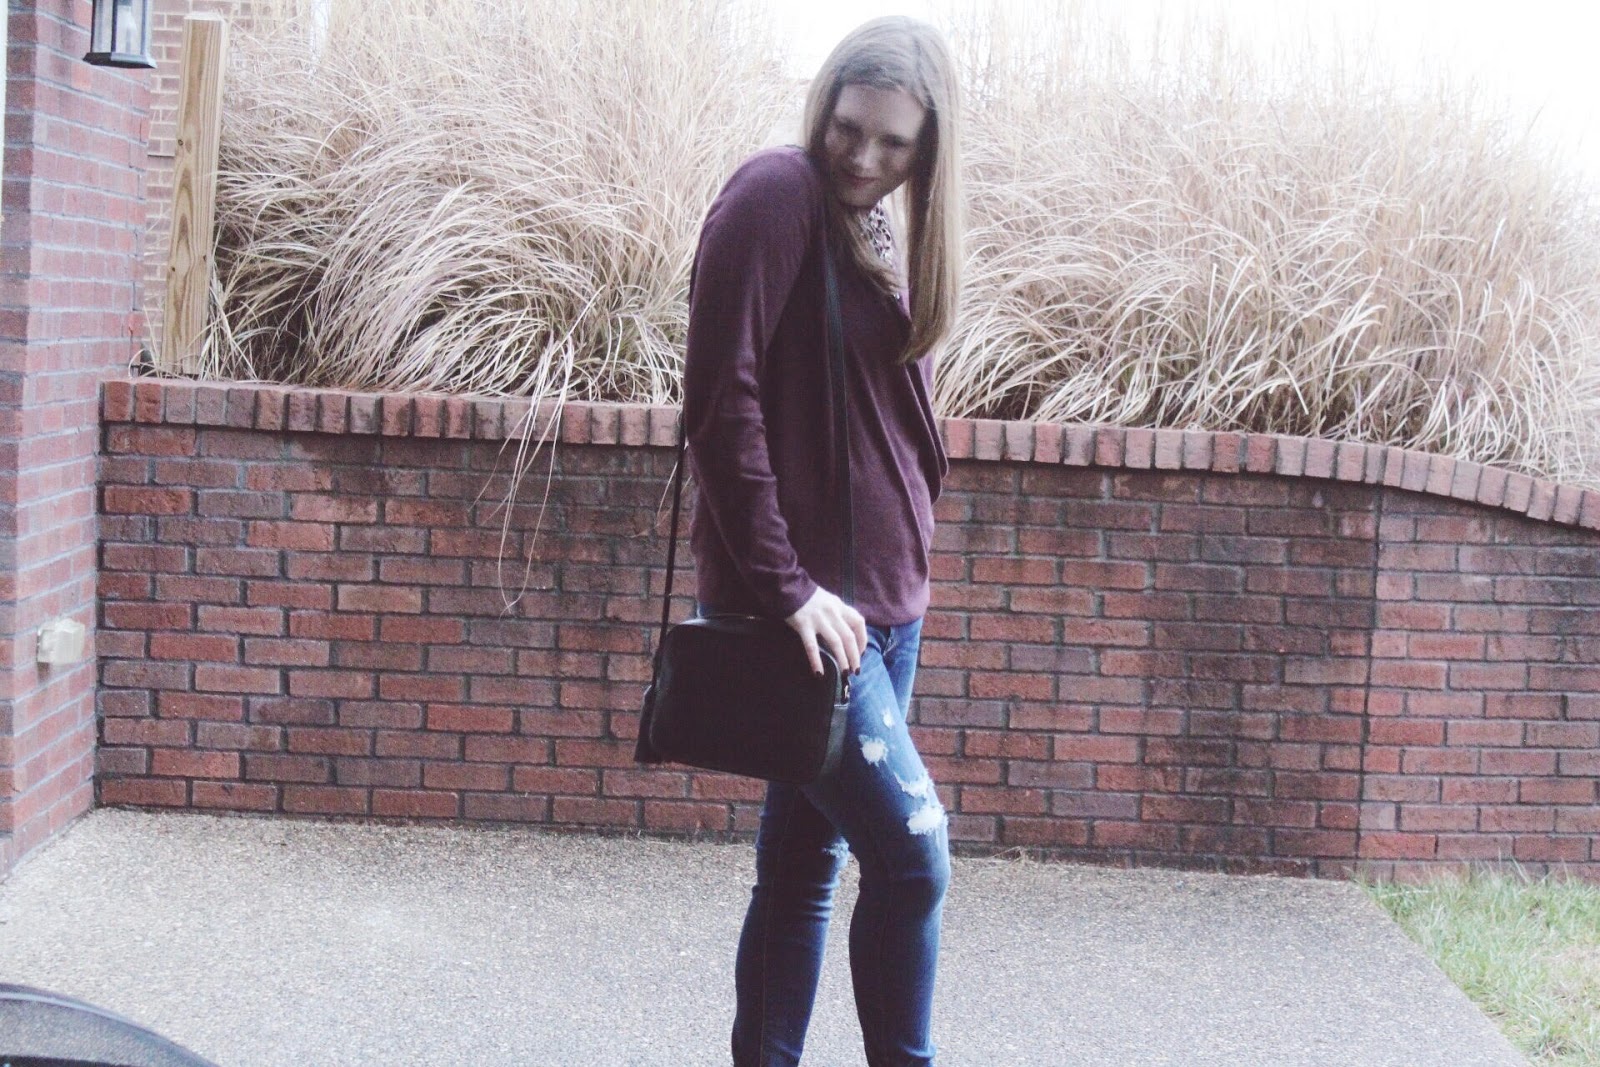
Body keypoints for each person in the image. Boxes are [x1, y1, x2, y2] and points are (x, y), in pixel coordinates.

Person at [680, 16, 962, 1067]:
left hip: (886, 607)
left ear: (928, 150)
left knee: (803, 870)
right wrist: (787, 587)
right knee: (915, 859)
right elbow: (720, 402)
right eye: (850, 127)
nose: (864, 156)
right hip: (814, 617)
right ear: (823, 107)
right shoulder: (777, 194)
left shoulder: (876, 226)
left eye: (894, 143)